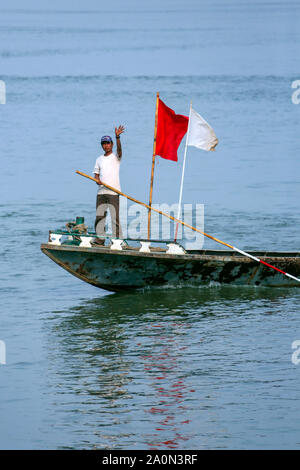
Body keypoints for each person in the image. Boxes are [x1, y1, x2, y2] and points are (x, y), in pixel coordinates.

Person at [93, 125, 125, 245]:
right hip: (101, 192)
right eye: (104, 143)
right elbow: (96, 174)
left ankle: (116, 241)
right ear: (102, 145)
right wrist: (97, 180)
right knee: (100, 217)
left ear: (112, 144)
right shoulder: (99, 159)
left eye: (108, 143)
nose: (106, 145)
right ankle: (99, 240)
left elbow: (120, 150)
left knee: (114, 218)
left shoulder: (116, 157)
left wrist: (117, 137)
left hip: (113, 192)